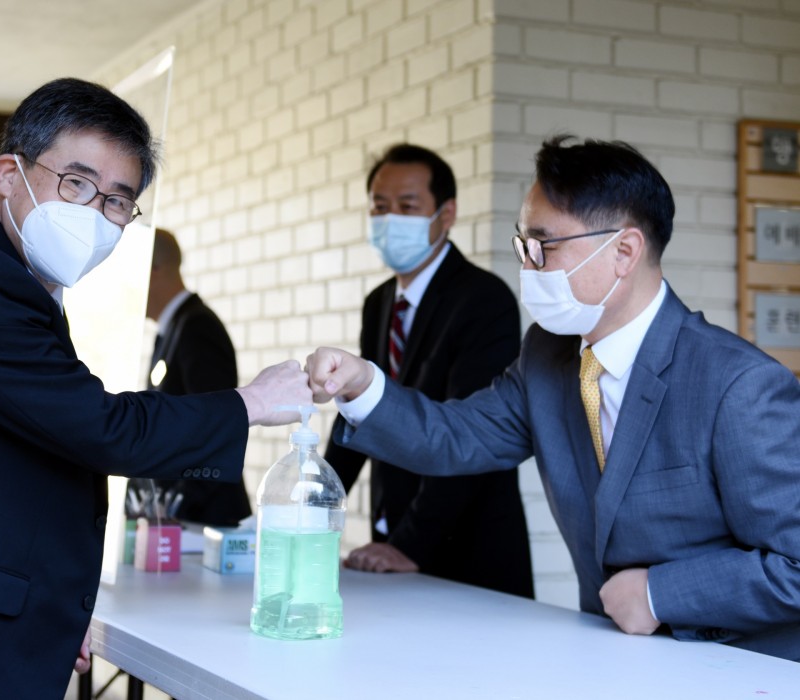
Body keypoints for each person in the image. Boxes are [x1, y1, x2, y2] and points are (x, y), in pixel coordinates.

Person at [0, 77, 310, 698]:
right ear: (9, 176)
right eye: (75, 184)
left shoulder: (13, 280)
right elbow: (97, 427)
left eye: (117, 201)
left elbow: (11, 463)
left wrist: (47, 601)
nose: (93, 214)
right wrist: (252, 402)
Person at [307, 135, 800, 661]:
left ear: (624, 252)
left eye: (545, 248)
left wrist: (661, 594)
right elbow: (455, 437)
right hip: (614, 660)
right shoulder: (547, 355)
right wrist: (362, 386)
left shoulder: (739, 384)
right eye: (524, 247)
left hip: (742, 670)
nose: (529, 268)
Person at [324, 144, 532, 597]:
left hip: (467, 553)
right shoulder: (379, 303)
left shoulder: (484, 300)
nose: (390, 219)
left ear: (447, 213)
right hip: (393, 540)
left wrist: (408, 545)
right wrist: (314, 506)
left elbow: (469, 434)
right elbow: (360, 407)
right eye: (380, 207)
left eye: (407, 207)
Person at [128, 227, 251, 526]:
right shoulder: (174, 328)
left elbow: (215, 426)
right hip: (183, 520)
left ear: (153, 270)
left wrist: (175, 505)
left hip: (205, 521)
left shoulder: (197, 328)